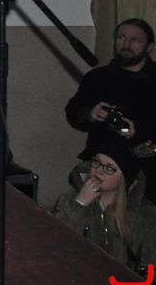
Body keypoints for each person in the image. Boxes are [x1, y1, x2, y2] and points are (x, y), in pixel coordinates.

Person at [64, 18, 156, 202]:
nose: (126, 45)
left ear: (149, 47)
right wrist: (89, 114)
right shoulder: (97, 78)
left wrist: (136, 133)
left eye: (135, 40)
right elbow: (73, 112)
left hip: (148, 166)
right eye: (121, 38)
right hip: (102, 164)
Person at [52, 136, 156, 273]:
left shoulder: (143, 213)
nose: (99, 170)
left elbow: (150, 266)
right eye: (96, 162)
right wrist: (80, 205)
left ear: (124, 178)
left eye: (109, 168)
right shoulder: (72, 196)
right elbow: (55, 242)